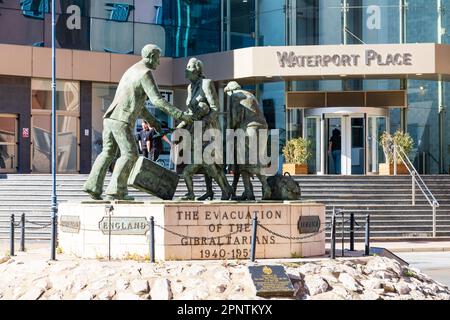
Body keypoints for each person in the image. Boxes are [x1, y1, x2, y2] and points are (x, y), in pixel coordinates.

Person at [83, 44, 192, 201]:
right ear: (151, 57)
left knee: (107, 152)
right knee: (130, 154)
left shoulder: (131, 71)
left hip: (110, 118)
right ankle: (116, 190)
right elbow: (158, 101)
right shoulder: (145, 73)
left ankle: (92, 187)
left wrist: (154, 123)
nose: (159, 63)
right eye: (158, 58)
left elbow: (139, 106)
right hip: (122, 120)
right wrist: (180, 115)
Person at [177, 57, 233, 201]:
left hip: (209, 129)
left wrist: (203, 122)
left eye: (189, 67)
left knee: (209, 162)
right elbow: (190, 112)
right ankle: (211, 191)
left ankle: (225, 190)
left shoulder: (206, 84)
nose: (186, 70)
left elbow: (215, 108)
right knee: (205, 163)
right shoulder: (190, 88)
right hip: (196, 130)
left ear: (197, 70)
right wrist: (181, 124)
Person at [224, 81, 272, 200]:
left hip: (249, 128)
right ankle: (253, 190)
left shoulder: (235, 96)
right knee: (253, 160)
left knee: (245, 161)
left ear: (230, 91)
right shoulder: (250, 95)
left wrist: (229, 131)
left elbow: (234, 119)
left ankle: (259, 189)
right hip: (263, 127)